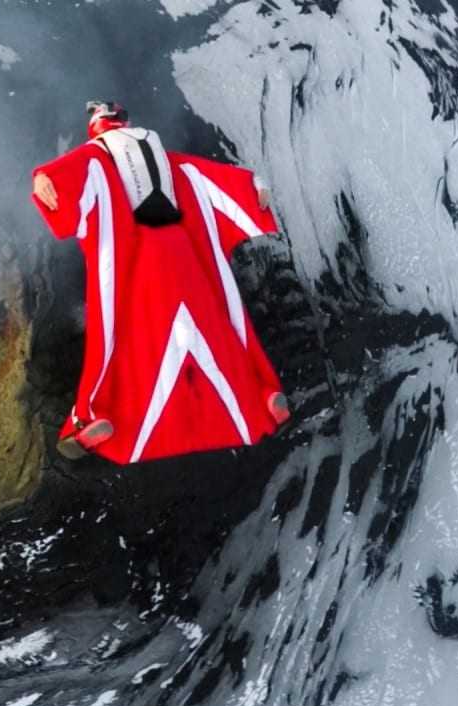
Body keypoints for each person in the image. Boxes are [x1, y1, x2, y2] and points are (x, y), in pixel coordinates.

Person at [30, 100, 289, 463]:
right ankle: (257, 404)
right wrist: (252, 189)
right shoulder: (165, 157)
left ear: (97, 127)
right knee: (215, 328)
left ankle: (94, 419)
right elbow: (209, 178)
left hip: (138, 265)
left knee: (127, 346)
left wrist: (44, 177)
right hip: (185, 258)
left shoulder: (98, 156)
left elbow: (69, 175)